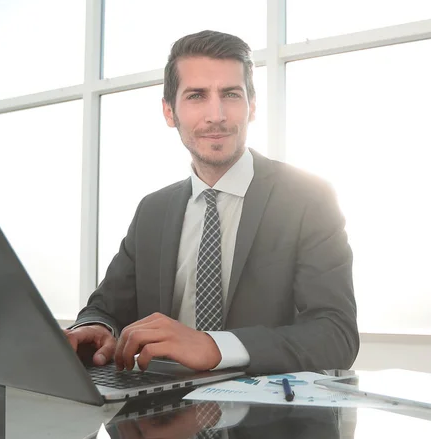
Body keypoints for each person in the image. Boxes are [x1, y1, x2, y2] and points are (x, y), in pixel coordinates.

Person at [65, 30, 359, 375]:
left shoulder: (309, 197)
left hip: (268, 420)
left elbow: (336, 336)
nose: (216, 114)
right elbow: (106, 307)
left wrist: (214, 346)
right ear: (169, 112)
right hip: (157, 414)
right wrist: (97, 328)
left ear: (252, 106)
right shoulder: (152, 211)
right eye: (196, 96)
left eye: (231, 94)